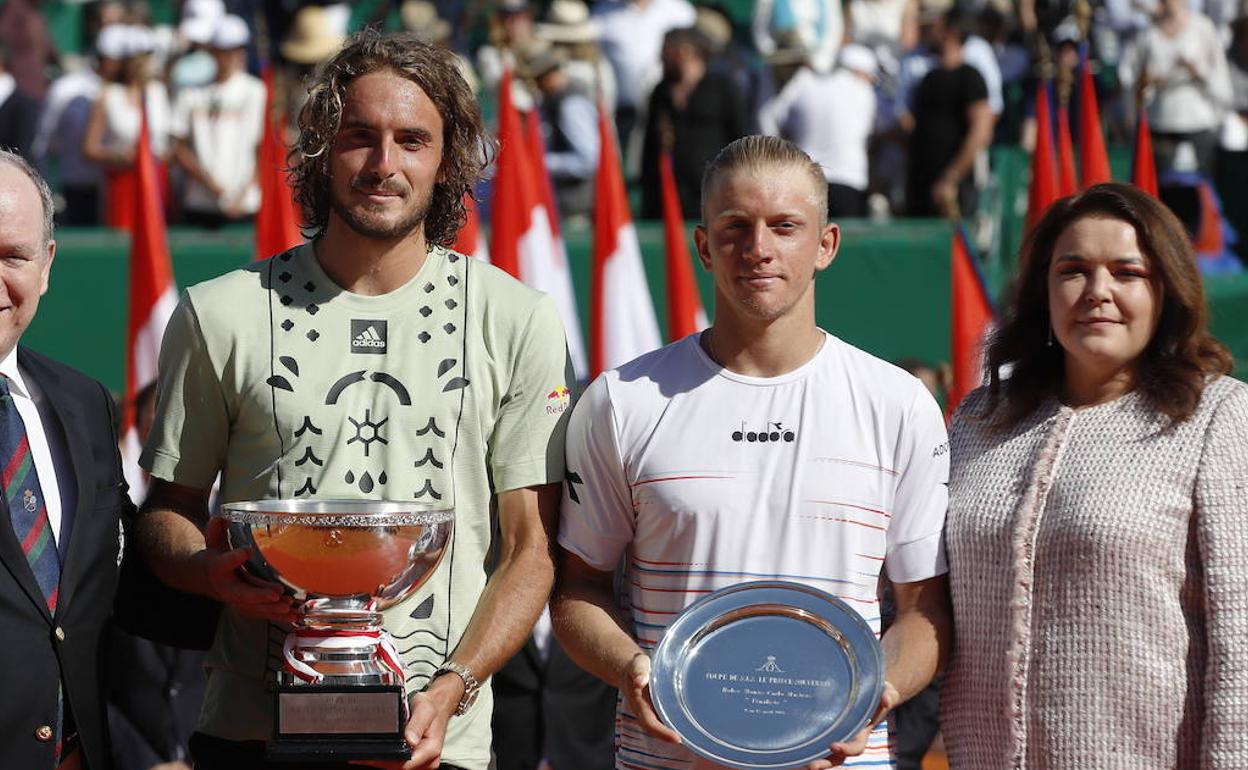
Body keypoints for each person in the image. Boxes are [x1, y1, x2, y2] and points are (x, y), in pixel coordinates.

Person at [132, 30, 571, 770]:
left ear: (448, 160)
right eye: (359, 137)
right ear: (320, 149)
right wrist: (210, 573)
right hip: (250, 732)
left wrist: (452, 688)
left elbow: (531, 550)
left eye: (413, 140)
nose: (384, 164)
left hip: (441, 739)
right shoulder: (220, 312)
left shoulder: (517, 317)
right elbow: (164, 517)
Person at [553, 136, 953, 770]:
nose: (759, 249)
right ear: (704, 246)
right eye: (736, 226)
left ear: (827, 245)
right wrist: (630, 664)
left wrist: (882, 690)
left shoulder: (899, 404)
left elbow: (923, 611)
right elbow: (578, 591)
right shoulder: (621, 401)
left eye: (785, 226)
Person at [940, 183, 1248, 770]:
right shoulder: (980, 418)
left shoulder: (1219, 416)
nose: (1097, 292)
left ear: (1167, 292)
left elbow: (1242, 638)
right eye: (1074, 271)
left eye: (1127, 272)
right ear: (1044, 291)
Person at [0, 149, 136, 769]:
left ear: (47, 264)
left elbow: (121, 593)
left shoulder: (82, 403)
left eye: (13, 257)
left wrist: (226, 571)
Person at [640, 27, 747, 220]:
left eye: (666, 53)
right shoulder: (661, 92)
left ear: (684, 53)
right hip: (669, 197)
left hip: (712, 194)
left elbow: (740, 137)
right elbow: (649, 146)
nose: (661, 59)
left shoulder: (722, 88)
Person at [169, 14, 266, 227]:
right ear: (212, 51)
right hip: (199, 204)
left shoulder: (256, 92)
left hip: (246, 206)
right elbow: (177, 148)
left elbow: (263, 148)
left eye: (237, 48)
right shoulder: (190, 94)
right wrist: (212, 186)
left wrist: (243, 194)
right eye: (224, 49)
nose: (232, 55)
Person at [902, 5, 994, 218]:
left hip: (952, 193)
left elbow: (981, 131)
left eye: (937, 26)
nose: (930, 31)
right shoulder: (928, 78)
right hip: (919, 191)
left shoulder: (970, 76)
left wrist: (951, 177)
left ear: (950, 31)